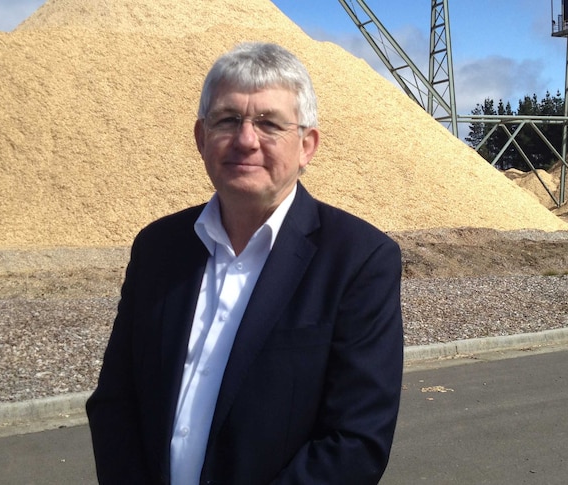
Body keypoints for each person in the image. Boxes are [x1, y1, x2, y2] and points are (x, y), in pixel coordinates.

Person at [86, 41, 404, 485]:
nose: (246, 140)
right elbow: (115, 402)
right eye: (228, 120)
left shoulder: (357, 260)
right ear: (201, 137)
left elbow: (355, 442)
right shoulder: (157, 248)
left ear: (307, 145)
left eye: (269, 123)